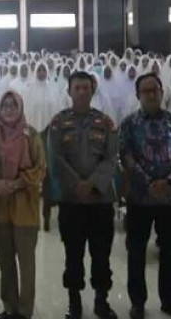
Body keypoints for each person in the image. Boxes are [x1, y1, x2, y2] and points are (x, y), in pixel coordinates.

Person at [118, 73, 171, 319]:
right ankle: (137, 302)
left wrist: (169, 181)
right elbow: (126, 156)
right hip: (140, 197)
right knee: (137, 251)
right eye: (146, 91)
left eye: (155, 90)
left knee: (169, 251)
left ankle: (169, 301)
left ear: (162, 93)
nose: (151, 95)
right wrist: (149, 182)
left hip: (170, 197)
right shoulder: (129, 123)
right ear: (138, 95)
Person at [47, 71, 118, 319]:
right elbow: (55, 157)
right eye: (77, 88)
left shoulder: (105, 122)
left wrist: (93, 184)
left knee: (101, 255)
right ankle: (74, 301)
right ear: (69, 91)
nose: (81, 92)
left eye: (85, 88)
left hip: (100, 201)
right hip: (72, 201)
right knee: (73, 255)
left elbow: (111, 157)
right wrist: (77, 184)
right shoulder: (58, 122)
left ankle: (101, 300)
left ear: (92, 90)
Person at [0, 90, 47, 319]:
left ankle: (25, 311)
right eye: (5, 106)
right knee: (6, 261)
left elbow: (41, 168)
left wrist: (18, 183)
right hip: (0, 204)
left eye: (13, 105)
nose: (9, 110)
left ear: (20, 108)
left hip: (25, 207)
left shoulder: (31, 135)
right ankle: (9, 307)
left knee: (26, 264)